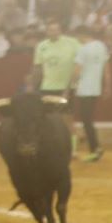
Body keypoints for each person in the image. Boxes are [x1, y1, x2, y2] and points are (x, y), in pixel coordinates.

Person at [32, 19, 80, 147]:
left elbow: (78, 66)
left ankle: (73, 150)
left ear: (60, 30)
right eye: (50, 30)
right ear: (46, 31)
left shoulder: (72, 43)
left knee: (67, 120)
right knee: (46, 119)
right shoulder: (41, 46)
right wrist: (33, 87)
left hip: (65, 87)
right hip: (46, 88)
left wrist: (68, 89)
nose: (53, 32)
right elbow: (38, 68)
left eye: (55, 29)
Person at [71, 23, 111, 163]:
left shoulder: (83, 49)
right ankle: (94, 147)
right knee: (88, 120)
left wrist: (71, 85)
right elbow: (106, 68)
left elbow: (77, 71)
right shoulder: (101, 46)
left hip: (84, 89)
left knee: (86, 120)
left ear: (81, 35)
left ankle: (95, 149)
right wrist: (107, 86)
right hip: (95, 89)